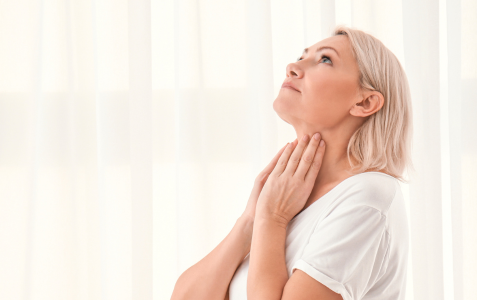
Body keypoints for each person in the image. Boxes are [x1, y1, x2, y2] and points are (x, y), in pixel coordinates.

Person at [171, 25, 413, 300]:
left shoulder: (369, 198)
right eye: (302, 55)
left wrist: (272, 220)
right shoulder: (286, 199)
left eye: (325, 59)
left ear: (366, 102)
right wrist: (251, 220)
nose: (293, 66)